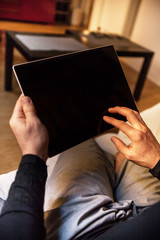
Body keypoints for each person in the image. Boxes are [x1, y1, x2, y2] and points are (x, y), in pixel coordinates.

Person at [0, 95, 160, 240]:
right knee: (123, 152)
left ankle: (112, 167)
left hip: (86, 227)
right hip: (142, 217)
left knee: (80, 142)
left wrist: (33, 156)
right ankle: (114, 167)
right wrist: (156, 160)